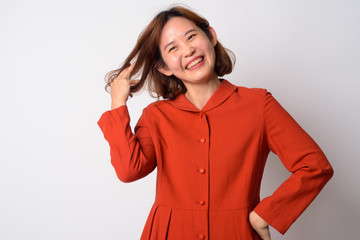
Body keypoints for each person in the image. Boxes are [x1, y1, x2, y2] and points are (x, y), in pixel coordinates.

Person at [97, 5, 333, 240]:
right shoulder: (156, 115)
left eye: (191, 36)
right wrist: (118, 103)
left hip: (236, 233)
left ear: (210, 36)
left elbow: (314, 166)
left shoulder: (258, 104)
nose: (188, 50)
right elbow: (129, 170)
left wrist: (265, 215)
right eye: (173, 48)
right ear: (163, 67)